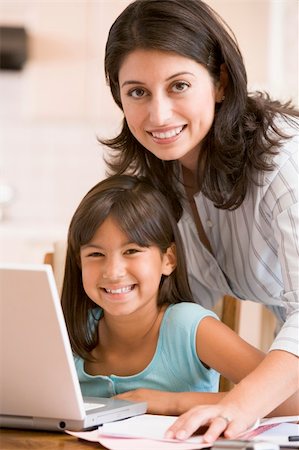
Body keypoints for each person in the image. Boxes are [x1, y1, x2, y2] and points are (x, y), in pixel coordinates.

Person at [99, 0, 299, 443]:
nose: (159, 115)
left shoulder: (285, 164)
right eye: (137, 92)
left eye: (179, 85)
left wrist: (236, 405)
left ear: (221, 82)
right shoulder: (158, 177)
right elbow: (181, 314)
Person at [61, 174, 265, 416]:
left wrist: (172, 403)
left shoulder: (188, 327)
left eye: (132, 251)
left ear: (168, 259)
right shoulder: (68, 332)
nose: (113, 272)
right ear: (79, 262)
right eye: (96, 254)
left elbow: (291, 399)